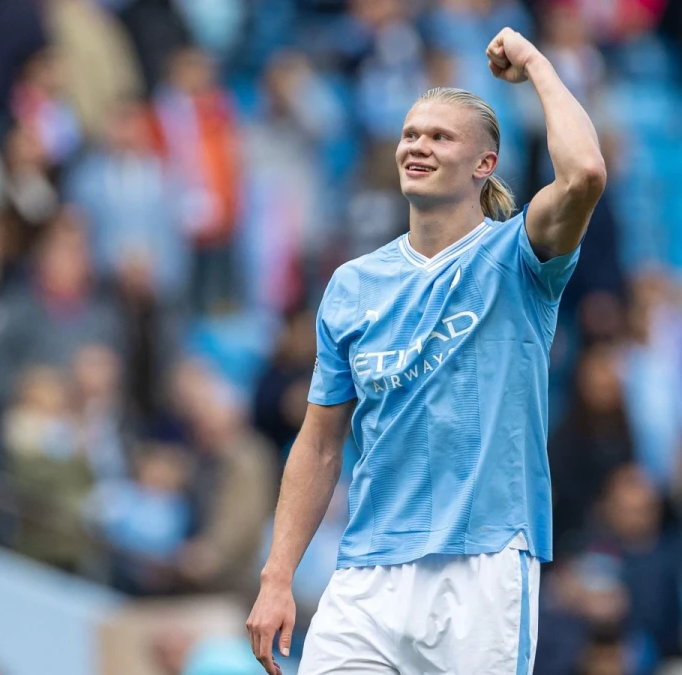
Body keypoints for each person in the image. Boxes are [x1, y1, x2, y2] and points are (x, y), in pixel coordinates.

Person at [247, 27, 607, 675]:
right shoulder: (353, 285)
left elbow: (584, 173)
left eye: (441, 136)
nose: (418, 144)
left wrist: (535, 64)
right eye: (411, 133)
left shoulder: (518, 258)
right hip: (366, 572)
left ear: (484, 164)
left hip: (482, 565)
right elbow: (320, 442)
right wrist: (278, 576)